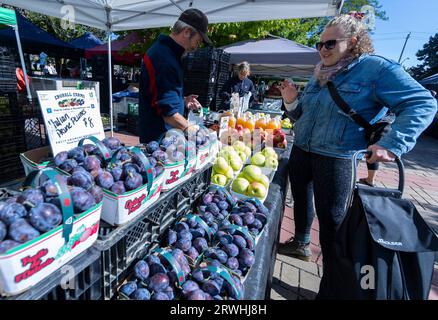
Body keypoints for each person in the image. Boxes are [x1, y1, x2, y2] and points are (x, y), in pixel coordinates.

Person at [277, 13, 437, 298]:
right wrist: (290, 100)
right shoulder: (320, 71)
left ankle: (333, 287)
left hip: (337, 159)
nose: (322, 49)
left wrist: (392, 143)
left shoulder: (375, 69)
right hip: (302, 150)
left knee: (333, 227)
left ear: (352, 43)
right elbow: (302, 114)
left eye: (330, 44)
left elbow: (422, 103)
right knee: (300, 201)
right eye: (319, 44)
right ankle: (300, 244)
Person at [138, 8, 211, 143]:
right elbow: (168, 113)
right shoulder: (164, 59)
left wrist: (181, 101)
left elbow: (160, 95)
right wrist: (195, 132)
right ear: (187, 32)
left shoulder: (167, 54)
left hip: (163, 136)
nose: (197, 46)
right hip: (158, 140)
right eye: (198, 40)